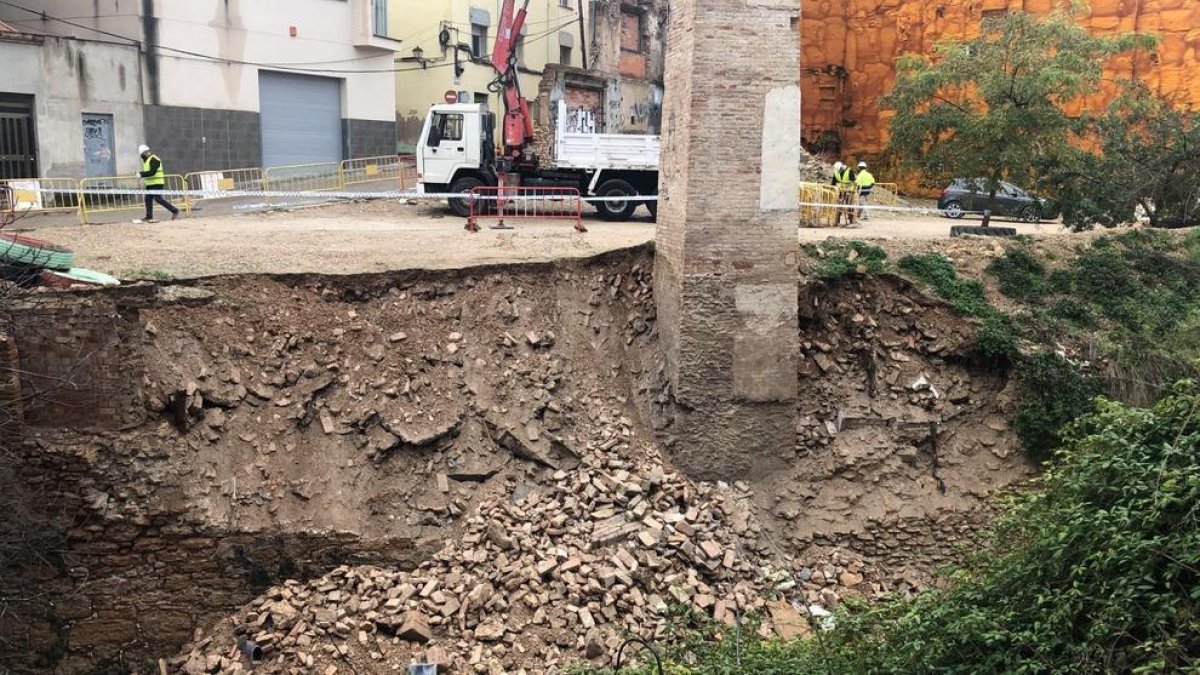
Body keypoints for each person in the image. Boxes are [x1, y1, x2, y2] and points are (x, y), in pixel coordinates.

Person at [136, 144, 180, 223]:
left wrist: (141, 174)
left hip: (157, 183)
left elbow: (152, 172)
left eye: (142, 154)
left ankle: (174, 210)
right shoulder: (146, 161)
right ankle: (149, 217)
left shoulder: (154, 159)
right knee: (148, 199)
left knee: (158, 199)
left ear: (145, 152)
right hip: (150, 184)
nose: (141, 156)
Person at [831, 161, 858, 227]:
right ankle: (837, 220)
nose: (839, 171)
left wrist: (849, 185)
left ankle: (851, 220)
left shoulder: (849, 171)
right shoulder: (836, 172)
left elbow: (853, 181)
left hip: (849, 192)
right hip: (840, 192)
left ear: (842, 167)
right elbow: (833, 183)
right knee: (838, 206)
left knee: (850, 206)